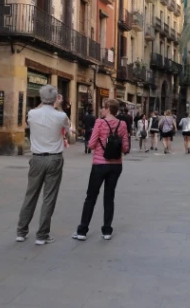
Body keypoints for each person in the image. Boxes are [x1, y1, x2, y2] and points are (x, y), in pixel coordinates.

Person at [16, 85, 72, 245]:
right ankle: (42, 235)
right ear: (55, 99)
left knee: (30, 195)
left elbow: (34, 114)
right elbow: (69, 128)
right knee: (49, 197)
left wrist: (46, 101)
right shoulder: (61, 116)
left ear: (40, 99)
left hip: (36, 159)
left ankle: (21, 232)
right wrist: (58, 105)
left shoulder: (32, 114)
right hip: (54, 159)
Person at [73, 98, 130, 241]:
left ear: (108, 108)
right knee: (109, 197)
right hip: (116, 165)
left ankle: (82, 231)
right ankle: (107, 231)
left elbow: (91, 144)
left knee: (91, 196)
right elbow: (125, 148)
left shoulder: (99, 122)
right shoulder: (122, 124)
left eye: (103, 108)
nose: (101, 110)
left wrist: (100, 142)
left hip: (99, 164)